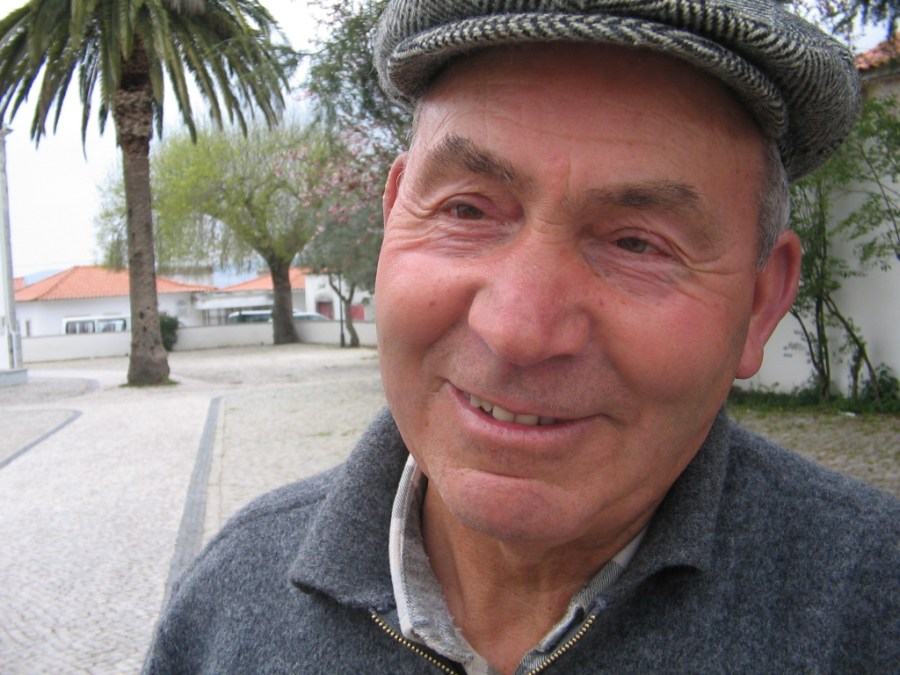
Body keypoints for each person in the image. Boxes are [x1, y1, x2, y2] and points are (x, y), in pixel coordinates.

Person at [143, 2, 899, 673]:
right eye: (467, 210)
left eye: (637, 243)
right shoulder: (228, 599)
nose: (517, 331)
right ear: (393, 214)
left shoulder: (875, 611)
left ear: (761, 303)